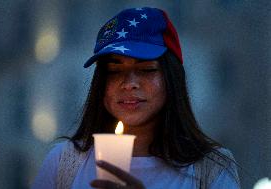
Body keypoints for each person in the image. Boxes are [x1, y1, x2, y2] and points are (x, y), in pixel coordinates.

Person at [31, 7, 241, 189]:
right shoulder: (64, 162)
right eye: (114, 70)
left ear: (172, 79)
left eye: (146, 69)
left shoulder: (211, 168)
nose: (129, 83)